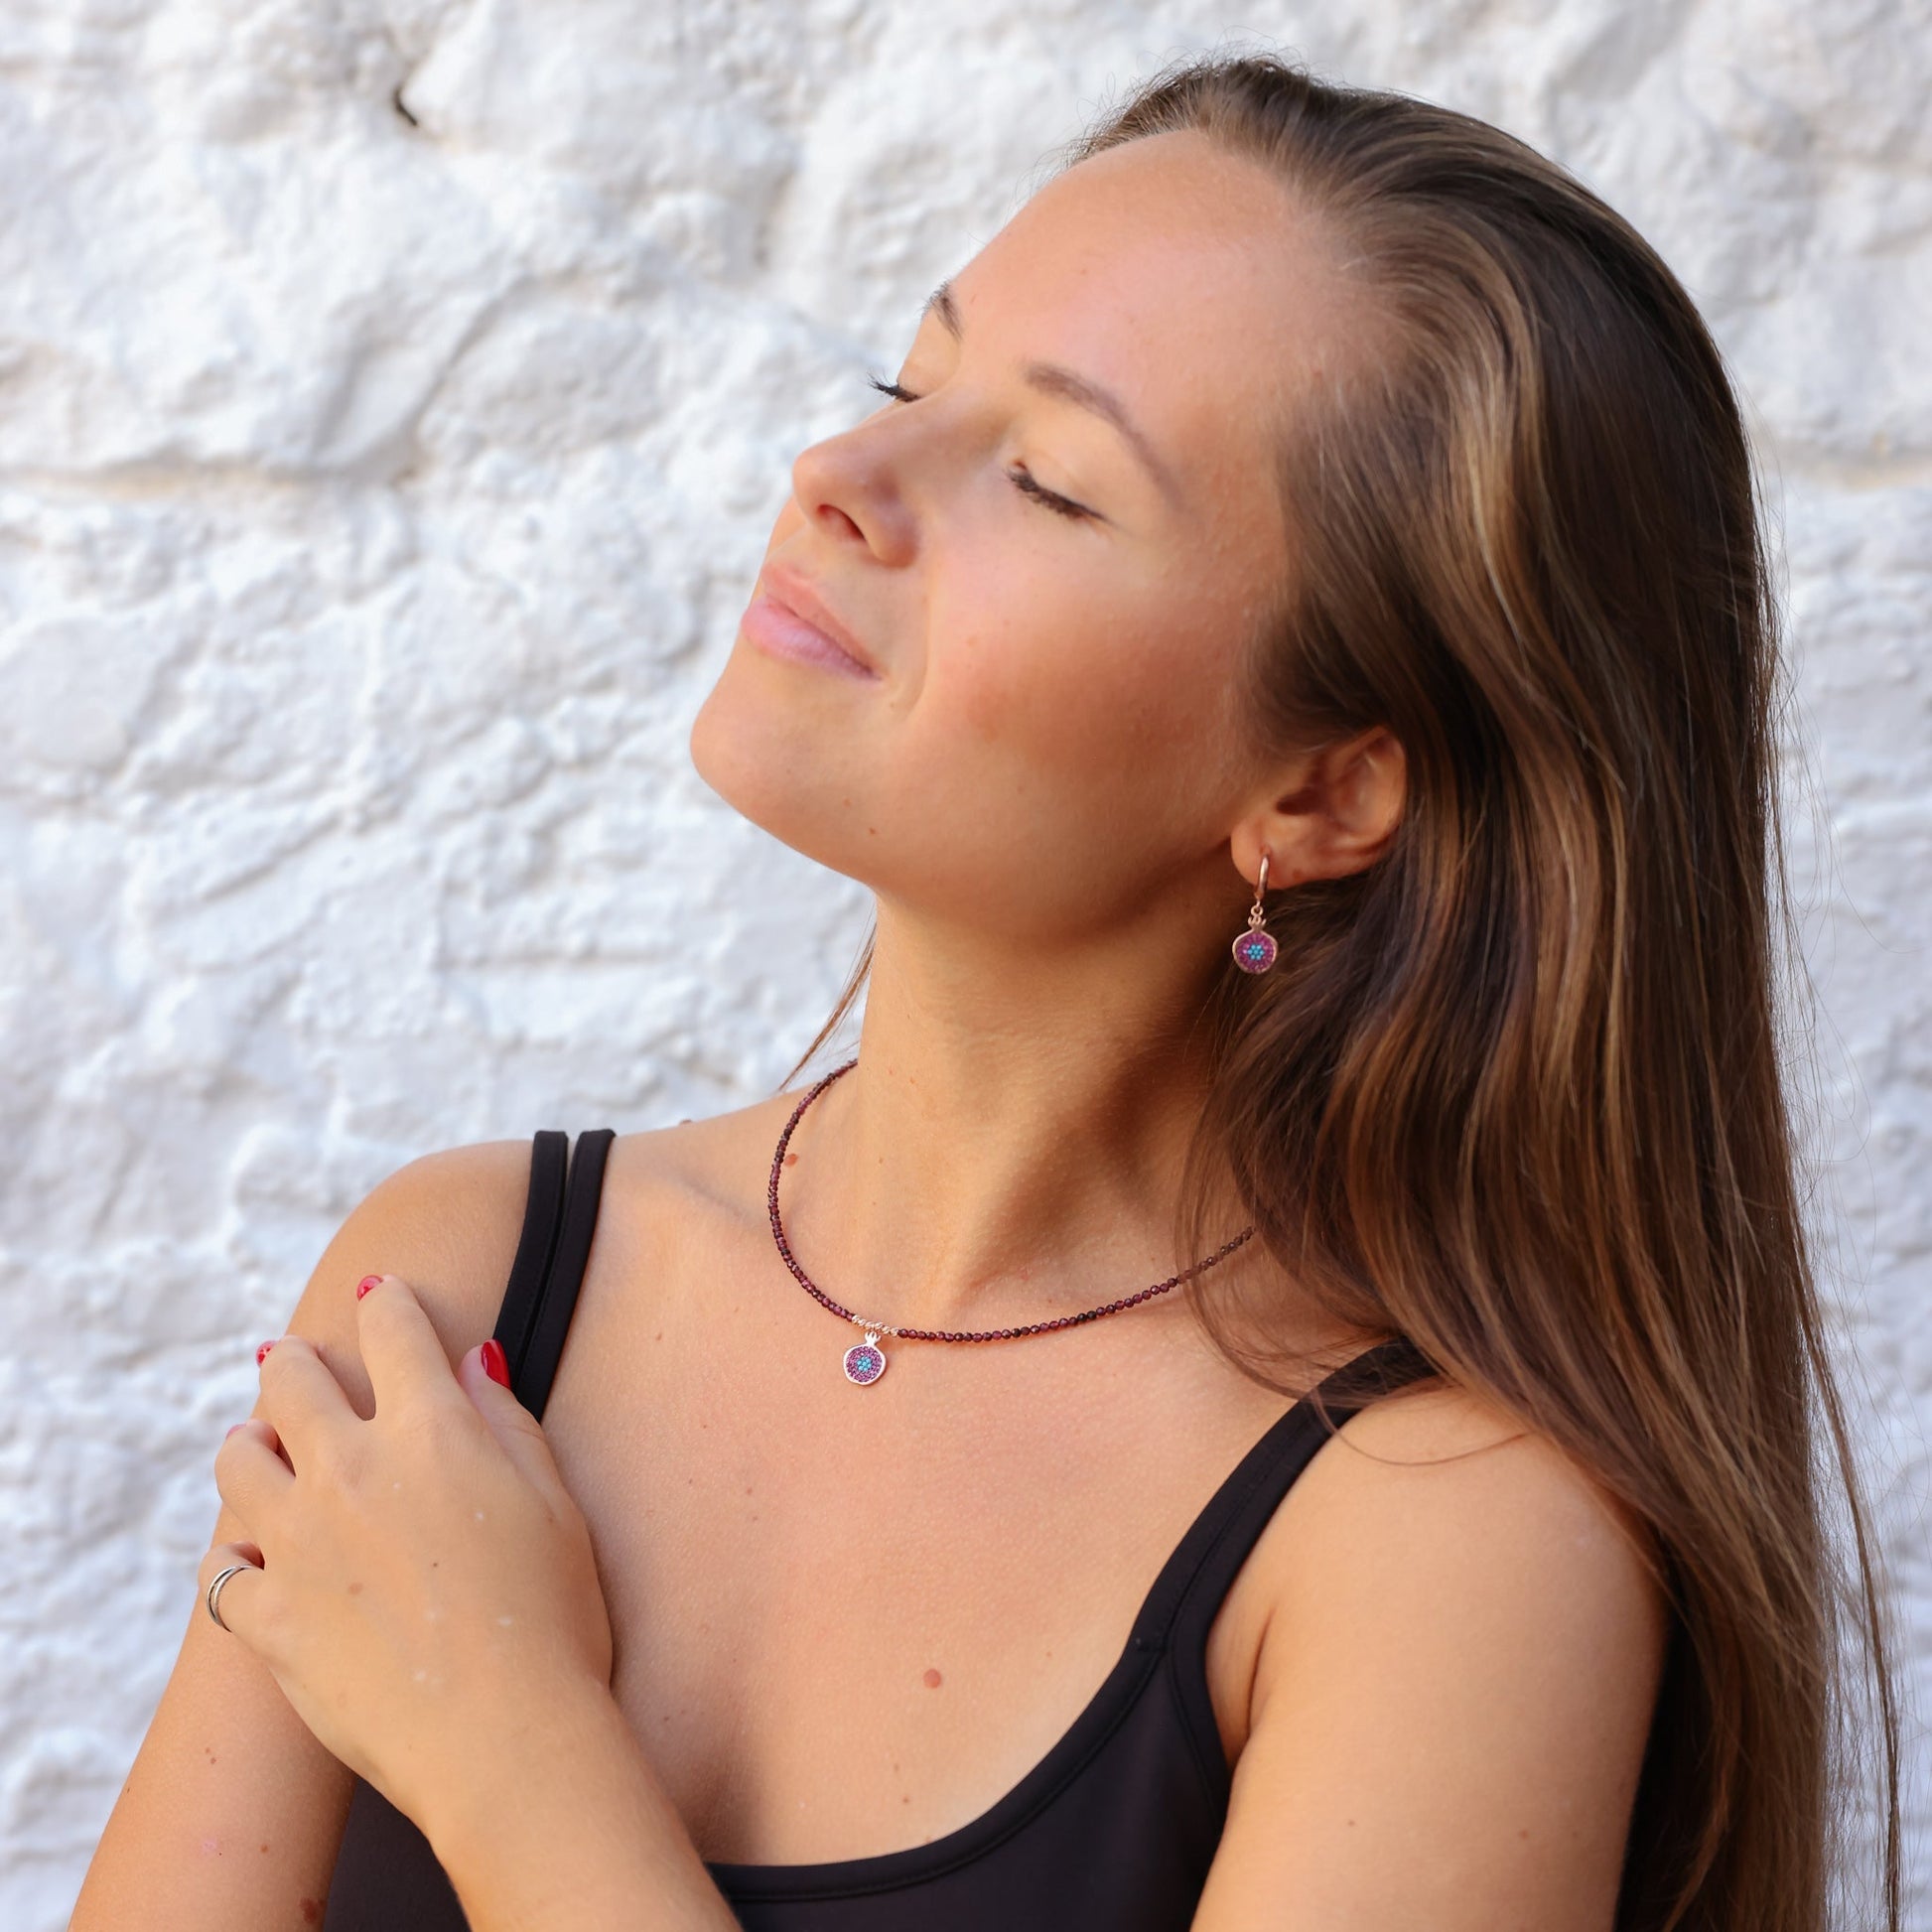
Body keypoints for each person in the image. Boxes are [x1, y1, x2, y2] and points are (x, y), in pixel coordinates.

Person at [70, 50, 1899, 1932]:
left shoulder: (1455, 1540)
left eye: (1042, 479)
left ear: (1323, 789)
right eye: (909, 379)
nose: (840, 477)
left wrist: (508, 1747)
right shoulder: (459, 1282)